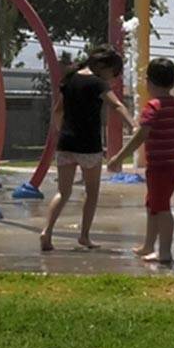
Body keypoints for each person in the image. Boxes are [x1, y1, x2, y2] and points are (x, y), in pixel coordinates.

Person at [40, 46, 135, 252]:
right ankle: (84, 236)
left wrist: (62, 131)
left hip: (66, 144)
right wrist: (132, 124)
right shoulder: (98, 83)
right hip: (89, 146)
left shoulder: (70, 79)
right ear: (102, 66)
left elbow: (57, 111)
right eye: (113, 73)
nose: (113, 78)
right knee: (91, 193)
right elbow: (117, 105)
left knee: (63, 192)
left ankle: (47, 231)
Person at [108, 58, 174, 264]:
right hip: (173, 166)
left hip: (160, 167)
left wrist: (118, 157)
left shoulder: (153, 106)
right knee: (153, 204)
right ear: (172, 82)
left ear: (148, 82)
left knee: (162, 208)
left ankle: (165, 252)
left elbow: (140, 136)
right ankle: (148, 245)